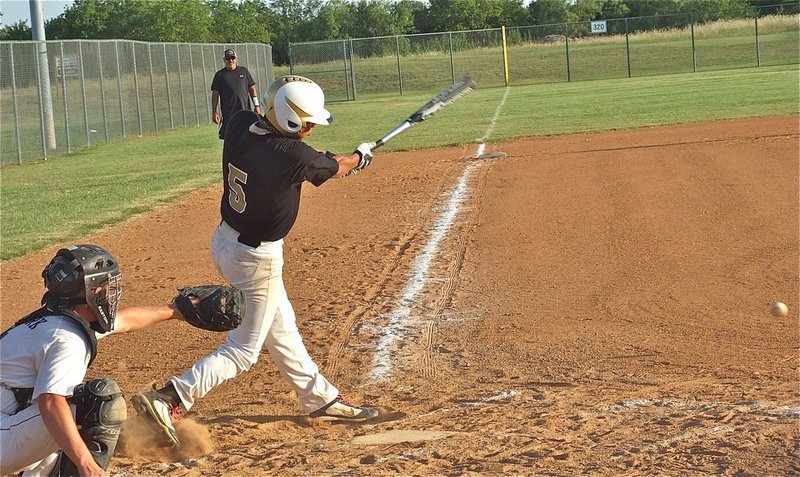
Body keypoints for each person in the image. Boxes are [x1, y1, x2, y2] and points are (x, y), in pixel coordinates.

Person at [132, 75, 378, 447]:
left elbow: (314, 160)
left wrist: (342, 159)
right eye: (308, 121)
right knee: (244, 350)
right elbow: (333, 166)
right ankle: (171, 397)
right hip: (255, 259)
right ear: (291, 119)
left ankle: (320, 399)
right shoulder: (293, 155)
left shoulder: (240, 123)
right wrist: (359, 158)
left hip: (226, 241)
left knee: (282, 326)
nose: (311, 128)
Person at [0, 244, 191, 476]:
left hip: (6, 419)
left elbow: (124, 322)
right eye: (107, 286)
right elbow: (51, 403)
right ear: (92, 291)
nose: (113, 292)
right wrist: (86, 464)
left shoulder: (46, 323)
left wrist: (174, 311)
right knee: (96, 403)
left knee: (69, 411)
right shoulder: (67, 339)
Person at [211, 48, 261, 140]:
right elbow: (215, 94)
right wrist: (214, 112)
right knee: (230, 139)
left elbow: (252, 89)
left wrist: (256, 105)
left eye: (233, 58)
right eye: (228, 59)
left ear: (236, 59)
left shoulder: (243, 71)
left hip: (245, 112)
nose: (231, 61)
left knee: (248, 137)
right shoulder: (220, 75)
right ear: (224, 60)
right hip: (229, 114)